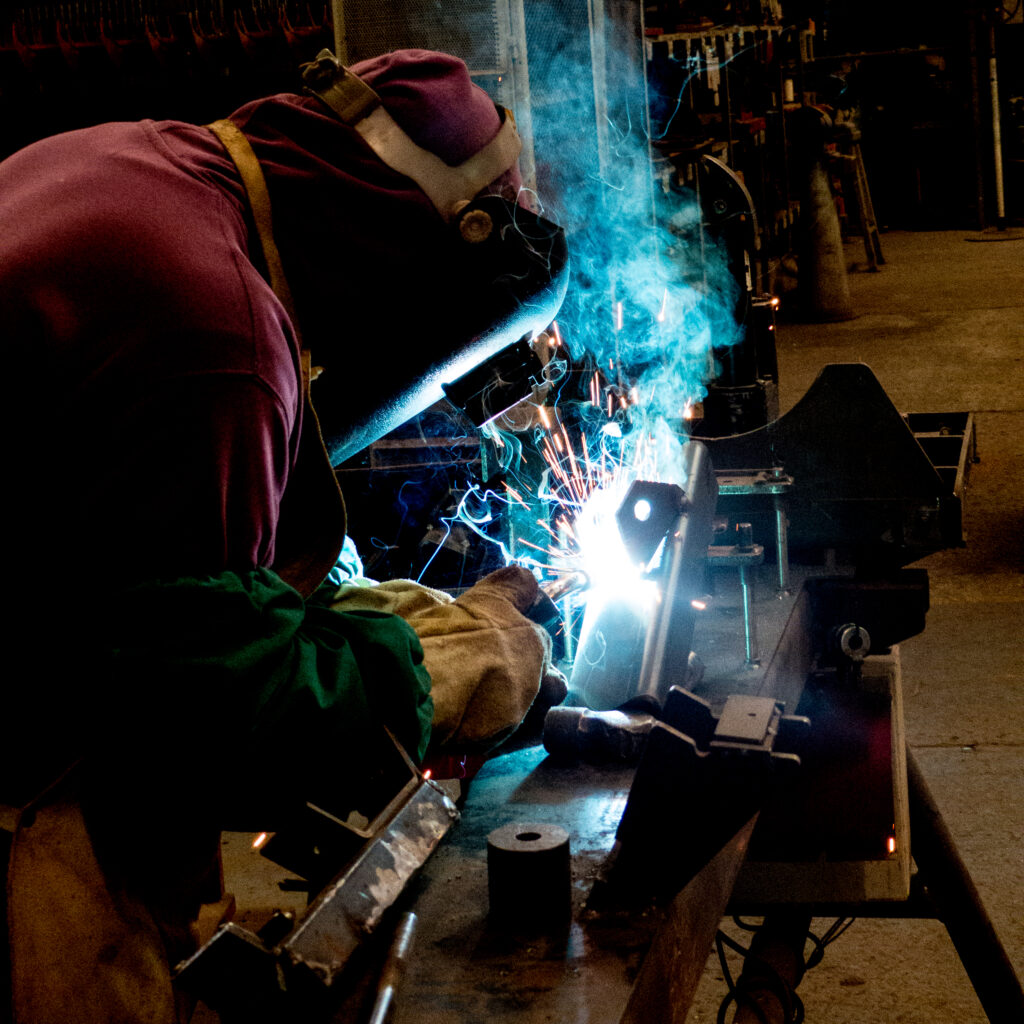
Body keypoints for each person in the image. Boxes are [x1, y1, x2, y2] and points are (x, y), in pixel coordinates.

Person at [0, 47, 566, 1023]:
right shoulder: (210, 336)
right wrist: (452, 659)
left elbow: (197, 556)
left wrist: (367, 606)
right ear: (406, 253)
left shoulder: (149, 165)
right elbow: (215, 714)